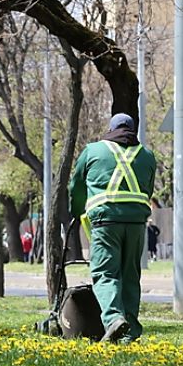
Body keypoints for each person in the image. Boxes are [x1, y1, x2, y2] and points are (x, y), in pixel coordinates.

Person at [69, 113, 157, 344]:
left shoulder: (93, 151)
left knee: (105, 273)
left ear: (111, 128)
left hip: (105, 222)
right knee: (130, 276)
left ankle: (113, 318)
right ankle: (130, 334)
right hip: (137, 223)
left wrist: (77, 211)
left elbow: (77, 187)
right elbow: (148, 190)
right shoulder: (147, 155)